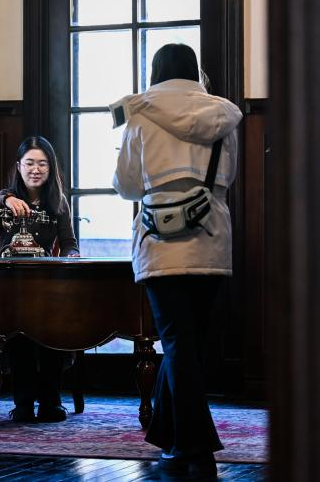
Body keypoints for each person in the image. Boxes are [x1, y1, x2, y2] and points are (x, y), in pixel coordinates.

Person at [113, 44, 242, 478]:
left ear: (156, 72)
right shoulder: (222, 115)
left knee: (177, 343)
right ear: (195, 72)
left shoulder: (139, 116)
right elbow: (228, 177)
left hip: (161, 243)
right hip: (211, 239)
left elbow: (127, 186)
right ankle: (169, 437)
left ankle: (196, 449)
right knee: (190, 344)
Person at [0, 135, 80, 423]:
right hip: (10, 286)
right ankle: (23, 402)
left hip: (46, 285)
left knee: (54, 331)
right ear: (19, 166)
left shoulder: (58, 202)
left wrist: (72, 256)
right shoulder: (6, 198)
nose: (35, 169)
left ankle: (51, 401)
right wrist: (7, 199)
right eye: (29, 163)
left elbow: (69, 243)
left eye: (42, 164)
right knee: (18, 334)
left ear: (50, 168)